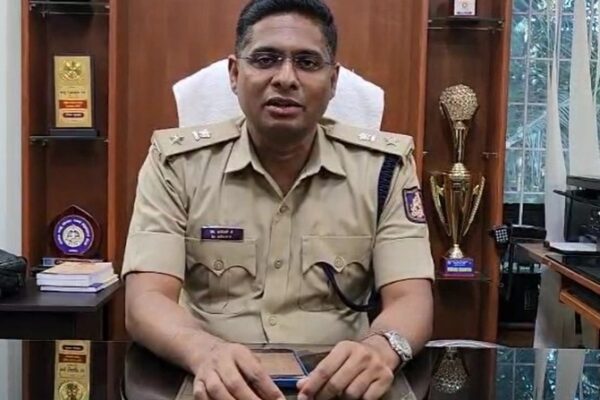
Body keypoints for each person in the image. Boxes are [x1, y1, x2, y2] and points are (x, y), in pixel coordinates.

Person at [122, 0, 435, 399]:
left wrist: (381, 349)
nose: (285, 78)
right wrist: (205, 353)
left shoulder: (383, 169)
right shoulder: (177, 165)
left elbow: (411, 298)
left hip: (336, 386)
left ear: (333, 81)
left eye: (307, 62)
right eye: (265, 59)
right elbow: (146, 300)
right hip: (212, 382)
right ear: (234, 73)